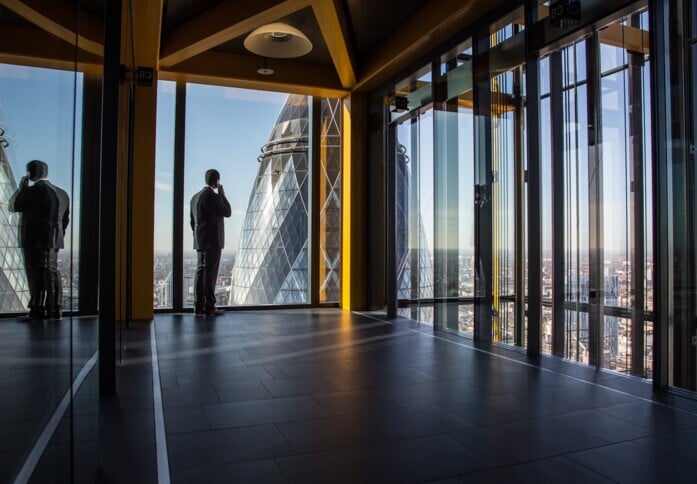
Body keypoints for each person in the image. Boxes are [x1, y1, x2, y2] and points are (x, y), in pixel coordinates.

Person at [9, 160, 69, 321]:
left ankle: (37, 310)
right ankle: (55, 309)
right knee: (52, 272)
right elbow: (65, 220)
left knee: (35, 275)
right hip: (55, 241)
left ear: (30, 173)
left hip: (34, 240)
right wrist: (57, 236)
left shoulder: (33, 191)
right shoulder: (62, 193)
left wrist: (23, 188)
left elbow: (14, 206)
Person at [190, 169, 231, 316]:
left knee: (200, 272)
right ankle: (210, 307)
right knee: (210, 274)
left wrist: (199, 236)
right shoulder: (213, 197)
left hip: (199, 241)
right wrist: (223, 196)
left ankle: (198, 307)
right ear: (216, 182)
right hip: (213, 241)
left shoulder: (194, 198)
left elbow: (191, 222)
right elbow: (228, 212)